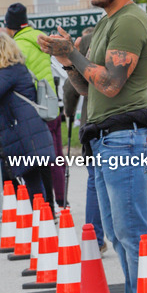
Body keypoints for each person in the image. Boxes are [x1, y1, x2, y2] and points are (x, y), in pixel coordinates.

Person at [39, 0, 147, 293]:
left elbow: (110, 84)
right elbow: (88, 87)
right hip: (108, 135)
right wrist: (67, 59)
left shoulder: (128, 22)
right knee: (119, 228)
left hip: (125, 136)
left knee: (130, 228)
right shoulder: (108, 22)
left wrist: (70, 52)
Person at [0, 32, 56, 204]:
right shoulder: (16, 69)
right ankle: (41, 217)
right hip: (29, 133)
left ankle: (39, 219)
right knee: (32, 180)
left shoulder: (10, 72)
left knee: (32, 182)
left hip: (26, 136)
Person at [4, 3, 62, 209]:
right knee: (53, 156)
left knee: (38, 159)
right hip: (51, 102)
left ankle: (45, 206)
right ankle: (58, 201)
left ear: (10, 27)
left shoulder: (17, 46)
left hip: (31, 106)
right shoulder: (41, 38)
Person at [62, 27, 107, 253]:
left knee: (95, 180)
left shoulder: (84, 48)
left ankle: (95, 238)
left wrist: (69, 112)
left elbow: (71, 87)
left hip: (92, 122)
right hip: (117, 121)